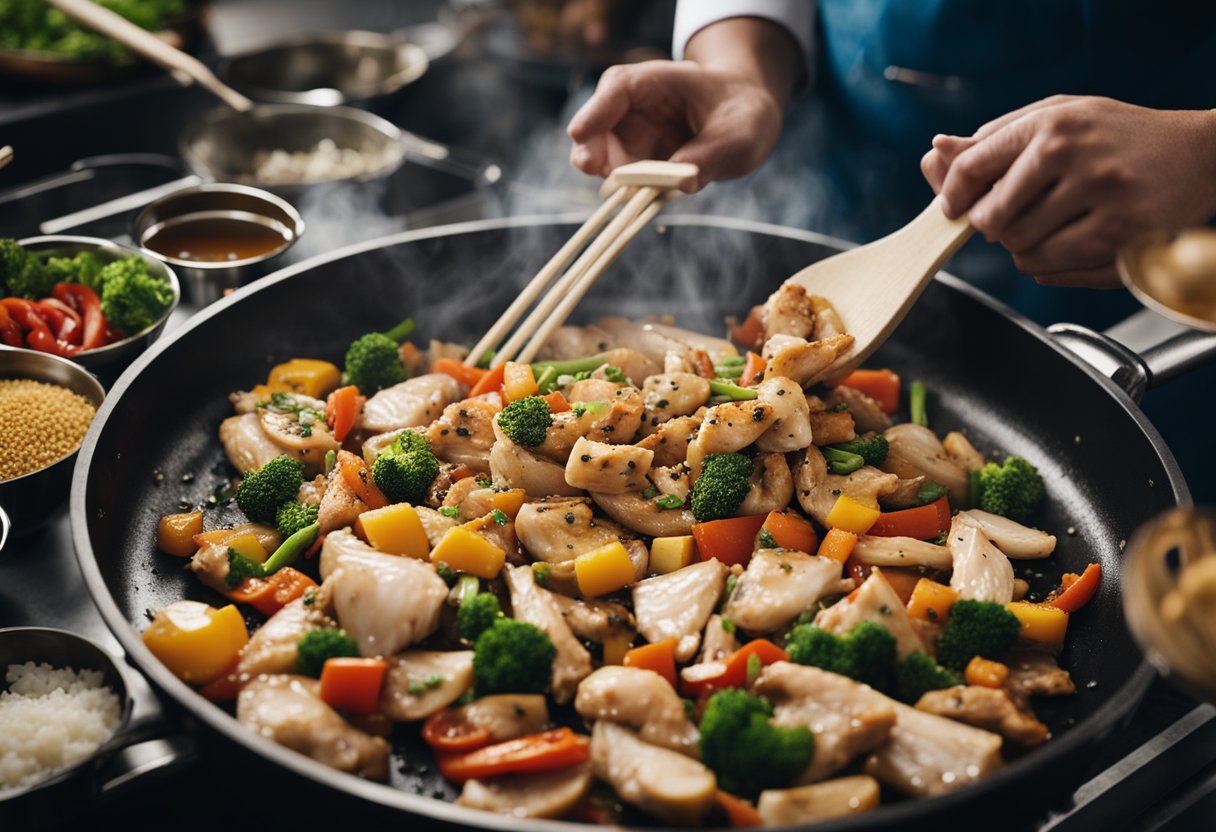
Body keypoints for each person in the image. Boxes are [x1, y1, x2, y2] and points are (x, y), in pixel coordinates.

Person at [566, 1, 1216, 498]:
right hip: (852, 175)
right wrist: (738, 65)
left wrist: (1202, 153)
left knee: (1148, 511)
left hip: (1171, 256)